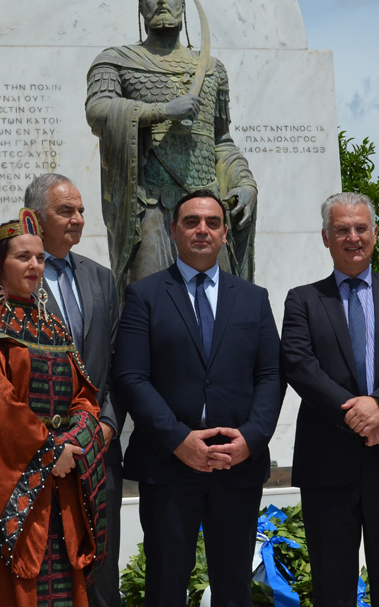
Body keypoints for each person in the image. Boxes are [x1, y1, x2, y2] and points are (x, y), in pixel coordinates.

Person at [111, 189, 281, 607]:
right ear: (174, 231)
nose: (202, 230)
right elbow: (131, 377)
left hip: (236, 464)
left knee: (234, 587)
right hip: (169, 466)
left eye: (212, 222)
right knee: (165, 586)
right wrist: (178, 440)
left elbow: (271, 375)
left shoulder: (254, 299)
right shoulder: (144, 296)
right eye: (191, 222)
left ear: (224, 234)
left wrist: (251, 439)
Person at [0, 173, 124, 607]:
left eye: (38, 258)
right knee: (31, 586)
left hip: (86, 460)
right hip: (26, 469)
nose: (34, 266)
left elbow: (97, 378)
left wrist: (90, 434)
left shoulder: (86, 294)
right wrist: (50, 450)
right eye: (65, 210)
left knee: (90, 580)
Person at [280, 192, 379, 607]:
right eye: (341, 230)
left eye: (360, 228)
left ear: (375, 234)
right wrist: (358, 416)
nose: (353, 237)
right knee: (332, 586)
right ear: (325, 238)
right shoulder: (302, 299)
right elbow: (299, 366)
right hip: (327, 462)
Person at [85, 0, 258, 295]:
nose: (161, 0)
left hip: (206, 204)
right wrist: (162, 110)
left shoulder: (213, 70)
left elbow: (221, 141)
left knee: (222, 303)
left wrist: (244, 182)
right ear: (141, 6)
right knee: (150, 301)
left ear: (182, 2)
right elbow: (99, 110)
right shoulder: (116, 62)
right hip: (150, 205)